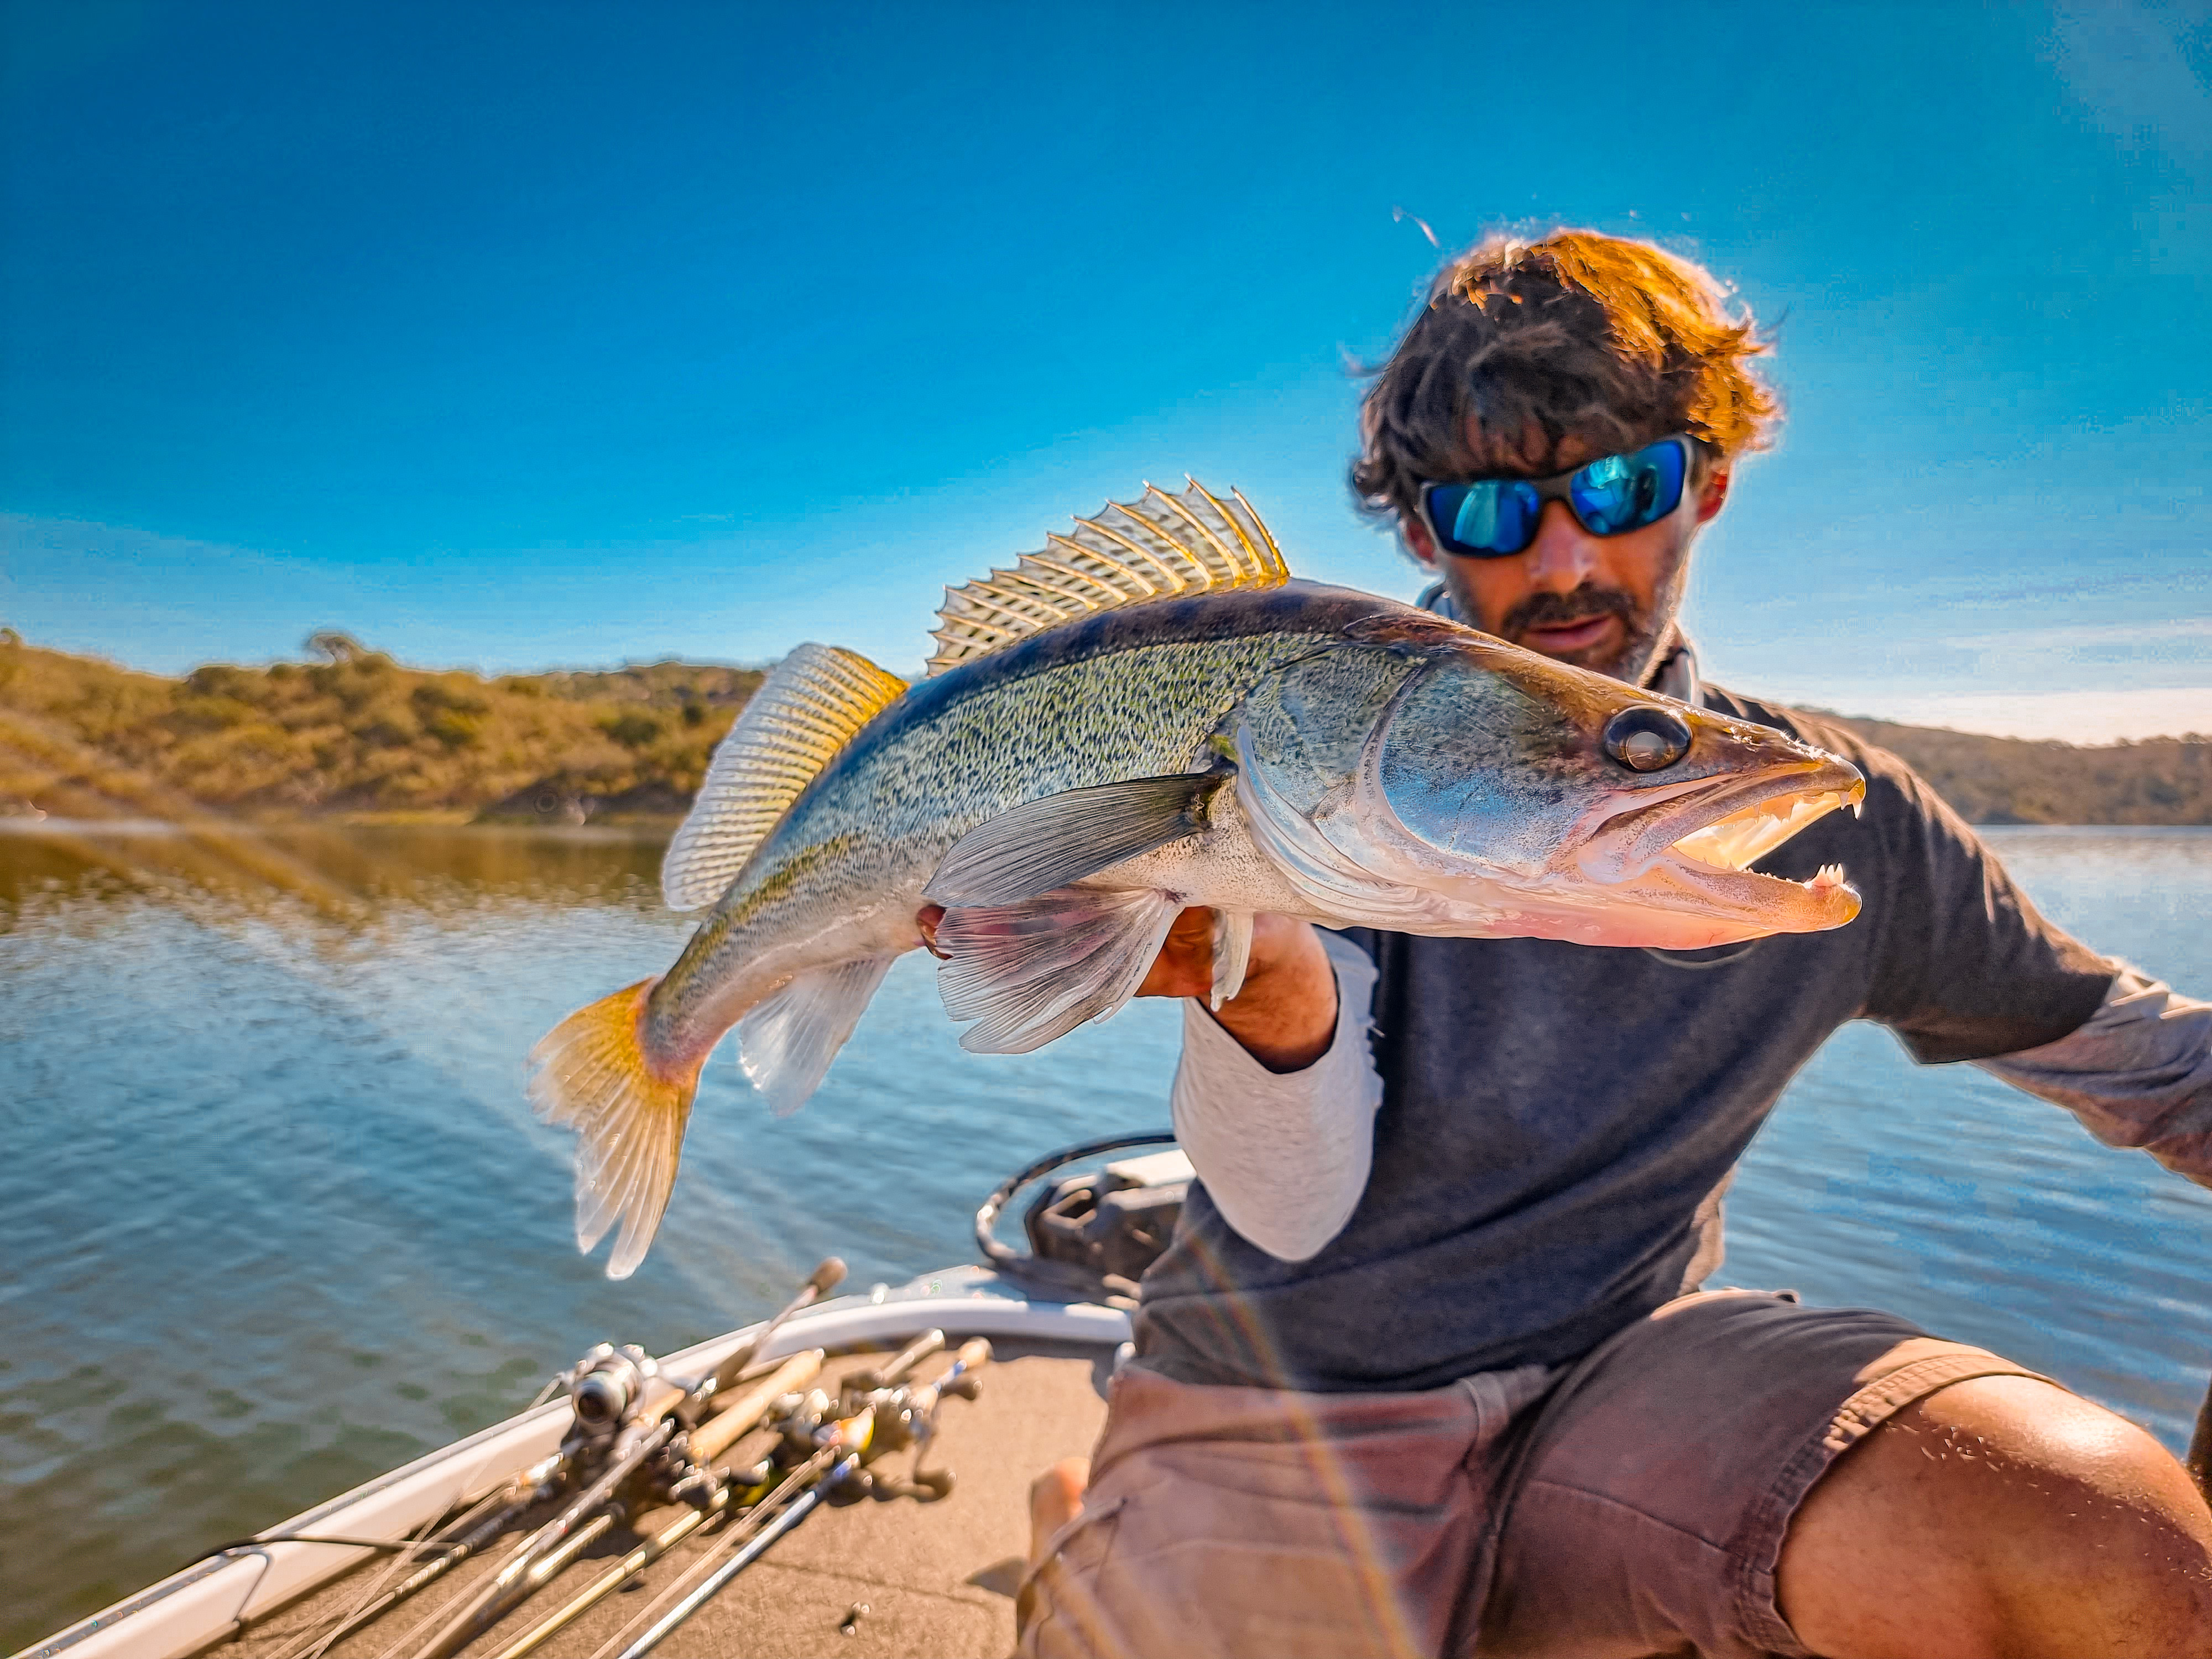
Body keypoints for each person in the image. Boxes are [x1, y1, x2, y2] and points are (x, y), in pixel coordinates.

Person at [934, 229, 2212, 1658]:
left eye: (1622, 485)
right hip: (1277, 1399)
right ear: (1420, 533)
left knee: (2113, 1544)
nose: (1565, 558)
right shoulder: (1307, 753)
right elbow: (1297, 1215)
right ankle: (1095, 1516)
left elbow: (2154, 1063)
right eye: (1490, 511)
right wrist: (1266, 980)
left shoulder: (1835, 816)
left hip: (1620, 1383)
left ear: (1706, 487)